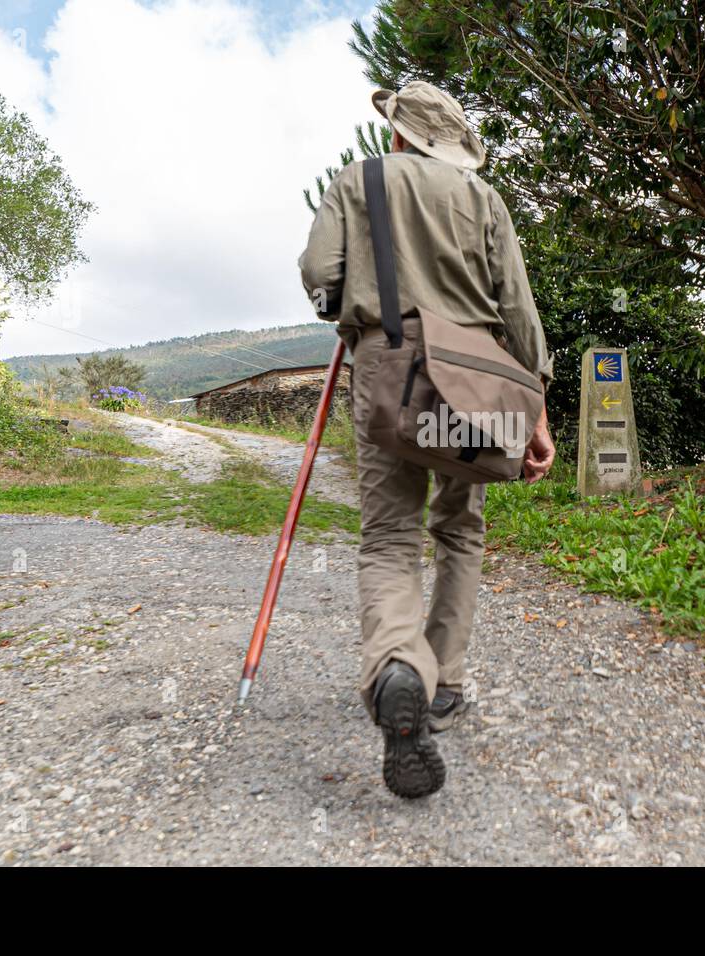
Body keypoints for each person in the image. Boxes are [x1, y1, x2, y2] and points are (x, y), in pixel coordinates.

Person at [298, 81, 554, 799]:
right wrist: (536, 410)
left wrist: (344, 308)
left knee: (387, 535)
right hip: (477, 379)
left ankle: (396, 667)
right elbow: (519, 311)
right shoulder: (485, 202)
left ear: (397, 135)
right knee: (460, 528)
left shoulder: (360, 180)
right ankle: (443, 683)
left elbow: (320, 278)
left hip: (388, 366)